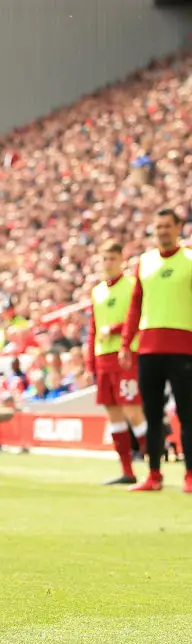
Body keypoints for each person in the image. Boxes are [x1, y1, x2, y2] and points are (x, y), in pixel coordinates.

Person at [120, 209, 192, 493]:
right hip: (149, 349)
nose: (162, 231)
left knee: (187, 414)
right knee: (151, 415)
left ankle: (190, 476)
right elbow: (135, 305)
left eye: (167, 226)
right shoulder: (145, 262)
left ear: (178, 227)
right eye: (158, 226)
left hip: (184, 348)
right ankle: (153, 475)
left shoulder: (189, 260)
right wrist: (126, 343)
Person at [85, 240, 148, 486]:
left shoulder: (132, 286)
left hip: (126, 356)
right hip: (103, 360)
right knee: (114, 416)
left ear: (121, 260)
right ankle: (127, 471)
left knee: (133, 411)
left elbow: (140, 317)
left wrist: (114, 329)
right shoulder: (97, 291)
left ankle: (153, 469)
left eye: (112, 258)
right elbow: (93, 329)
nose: (108, 263)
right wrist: (90, 363)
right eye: (105, 259)